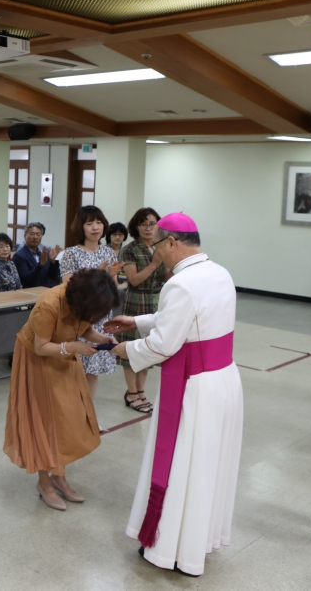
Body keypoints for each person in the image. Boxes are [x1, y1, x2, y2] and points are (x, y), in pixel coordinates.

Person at [106, 213, 243, 577]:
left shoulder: (180, 283)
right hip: (223, 379)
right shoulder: (219, 272)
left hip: (193, 386)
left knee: (184, 465)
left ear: (171, 242)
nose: (157, 253)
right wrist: (137, 321)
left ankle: (171, 548)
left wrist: (126, 348)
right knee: (206, 465)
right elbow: (189, 318)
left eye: (158, 245)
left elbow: (164, 344)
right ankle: (197, 539)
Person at [4, 269, 118, 509]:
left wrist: (102, 339)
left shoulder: (83, 302)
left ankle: (59, 475)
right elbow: (41, 346)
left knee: (67, 418)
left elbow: (84, 328)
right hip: (37, 359)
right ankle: (44, 482)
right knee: (44, 421)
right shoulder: (49, 304)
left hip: (64, 356)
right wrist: (74, 347)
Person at [60, 206, 124, 398]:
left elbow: (112, 291)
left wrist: (110, 277)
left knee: (92, 371)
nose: (95, 227)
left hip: (101, 317)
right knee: (74, 368)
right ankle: (70, 412)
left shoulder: (109, 252)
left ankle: (87, 412)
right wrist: (99, 274)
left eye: (99, 222)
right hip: (80, 316)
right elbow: (68, 289)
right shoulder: (70, 253)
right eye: (89, 223)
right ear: (81, 227)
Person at [116, 208, 167, 415]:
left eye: (152, 224)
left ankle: (141, 392)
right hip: (136, 301)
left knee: (148, 348)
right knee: (132, 348)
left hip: (156, 302)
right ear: (136, 227)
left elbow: (165, 277)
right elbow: (134, 280)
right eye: (143, 224)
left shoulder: (160, 246)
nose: (148, 228)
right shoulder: (130, 249)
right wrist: (155, 264)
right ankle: (131, 393)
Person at [13, 222, 61, 289]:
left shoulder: (44, 253)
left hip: (45, 290)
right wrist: (40, 265)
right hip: (29, 292)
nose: (35, 237)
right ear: (25, 236)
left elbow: (53, 276)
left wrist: (54, 262)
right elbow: (26, 279)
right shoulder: (19, 256)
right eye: (32, 234)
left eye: (38, 234)